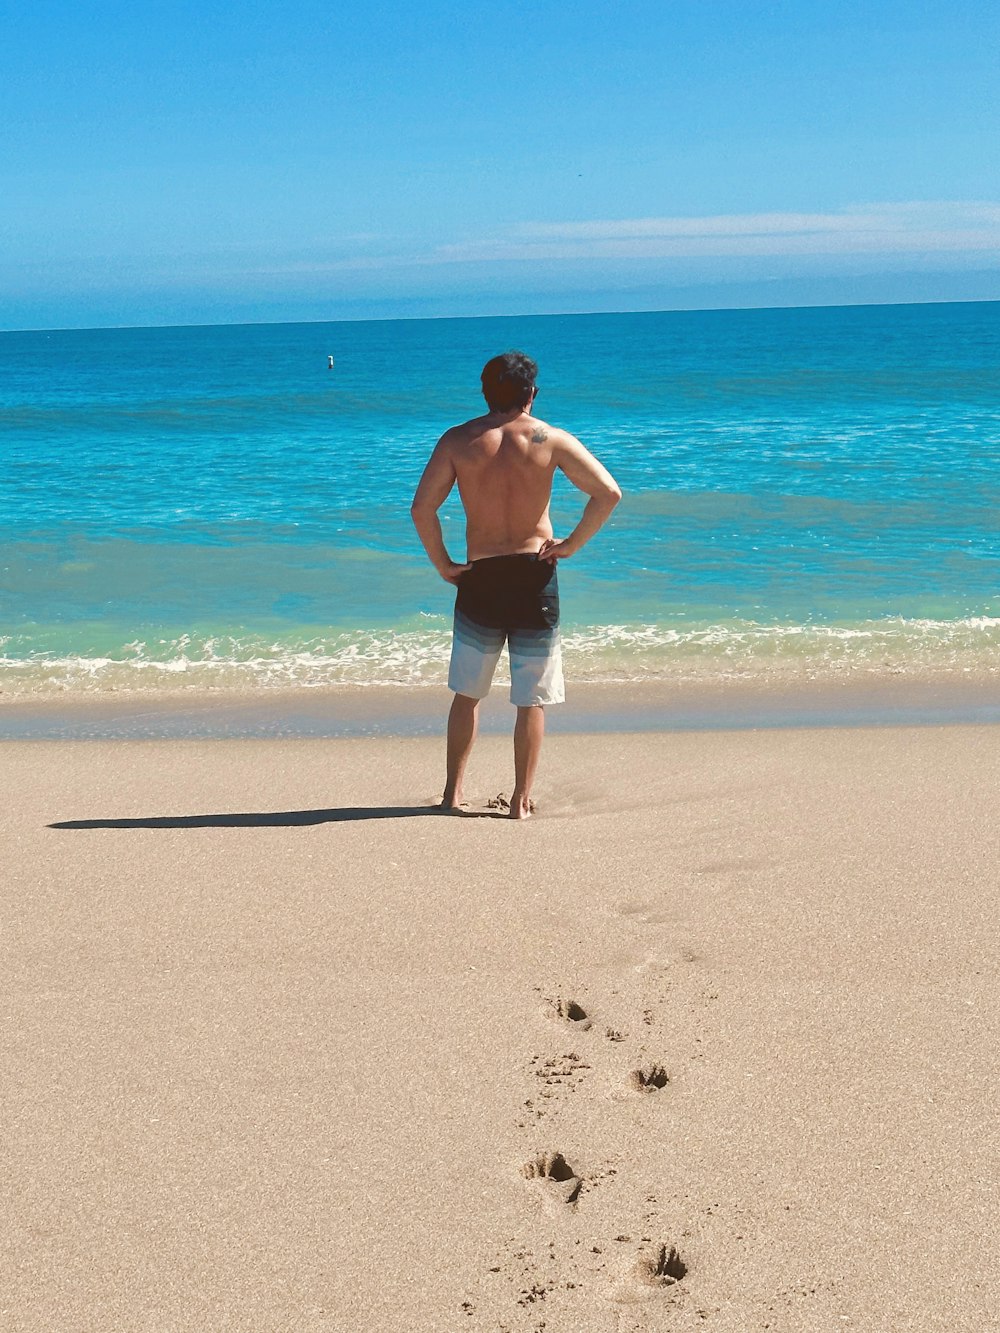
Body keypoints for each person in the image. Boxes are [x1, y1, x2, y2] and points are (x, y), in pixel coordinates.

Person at [411, 350, 621, 819]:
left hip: (480, 575)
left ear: (486, 393)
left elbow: (421, 509)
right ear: (532, 393)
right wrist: (570, 545)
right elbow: (608, 493)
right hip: (534, 573)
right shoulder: (551, 439)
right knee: (532, 697)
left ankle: (452, 795)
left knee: (468, 692)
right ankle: (521, 802)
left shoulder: (458, 441)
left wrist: (443, 564)